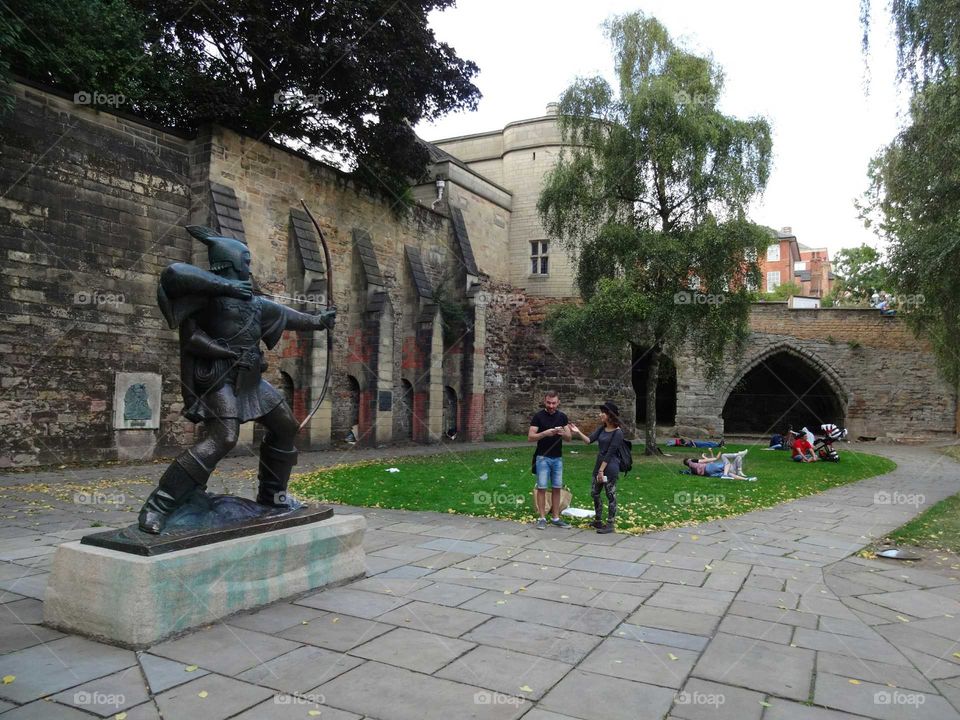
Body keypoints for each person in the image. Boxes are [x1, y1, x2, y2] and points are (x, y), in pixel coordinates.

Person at [137, 226, 336, 533]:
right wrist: (227, 289)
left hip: (251, 381)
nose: (249, 265)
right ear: (230, 263)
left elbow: (288, 314)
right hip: (219, 378)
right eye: (244, 259)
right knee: (224, 438)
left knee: (285, 426)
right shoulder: (210, 295)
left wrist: (318, 321)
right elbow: (173, 274)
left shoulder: (255, 303)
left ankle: (273, 496)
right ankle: (159, 505)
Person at [570, 401, 624, 534]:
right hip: (599, 465)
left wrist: (601, 470)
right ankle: (598, 520)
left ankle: (610, 523)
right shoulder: (602, 428)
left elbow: (610, 453)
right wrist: (578, 432)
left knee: (610, 494)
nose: (600, 415)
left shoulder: (618, 433)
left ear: (610, 415)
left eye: (603, 413)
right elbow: (589, 441)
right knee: (594, 493)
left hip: (610, 467)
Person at [528, 390, 572, 529]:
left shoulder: (562, 417)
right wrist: (545, 433)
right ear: (544, 401)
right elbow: (530, 437)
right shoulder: (538, 417)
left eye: (554, 403)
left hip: (557, 458)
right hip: (542, 457)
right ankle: (542, 518)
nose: (551, 406)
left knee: (557, 487)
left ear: (558, 402)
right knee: (542, 487)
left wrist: (562, 432)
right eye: (549, 402)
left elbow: (569, 438)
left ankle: (555, 517)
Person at [683, 449, 754, 480]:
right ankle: (725, 475)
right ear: (688, 461)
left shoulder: (694, 469)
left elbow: (711, 462)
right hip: (723, 468)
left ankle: (741, 473)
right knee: (724, 457)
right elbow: (712, 460)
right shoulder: (691, 462)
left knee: (738, 458)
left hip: (730, 470)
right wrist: (715, 458)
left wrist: (707, 456)